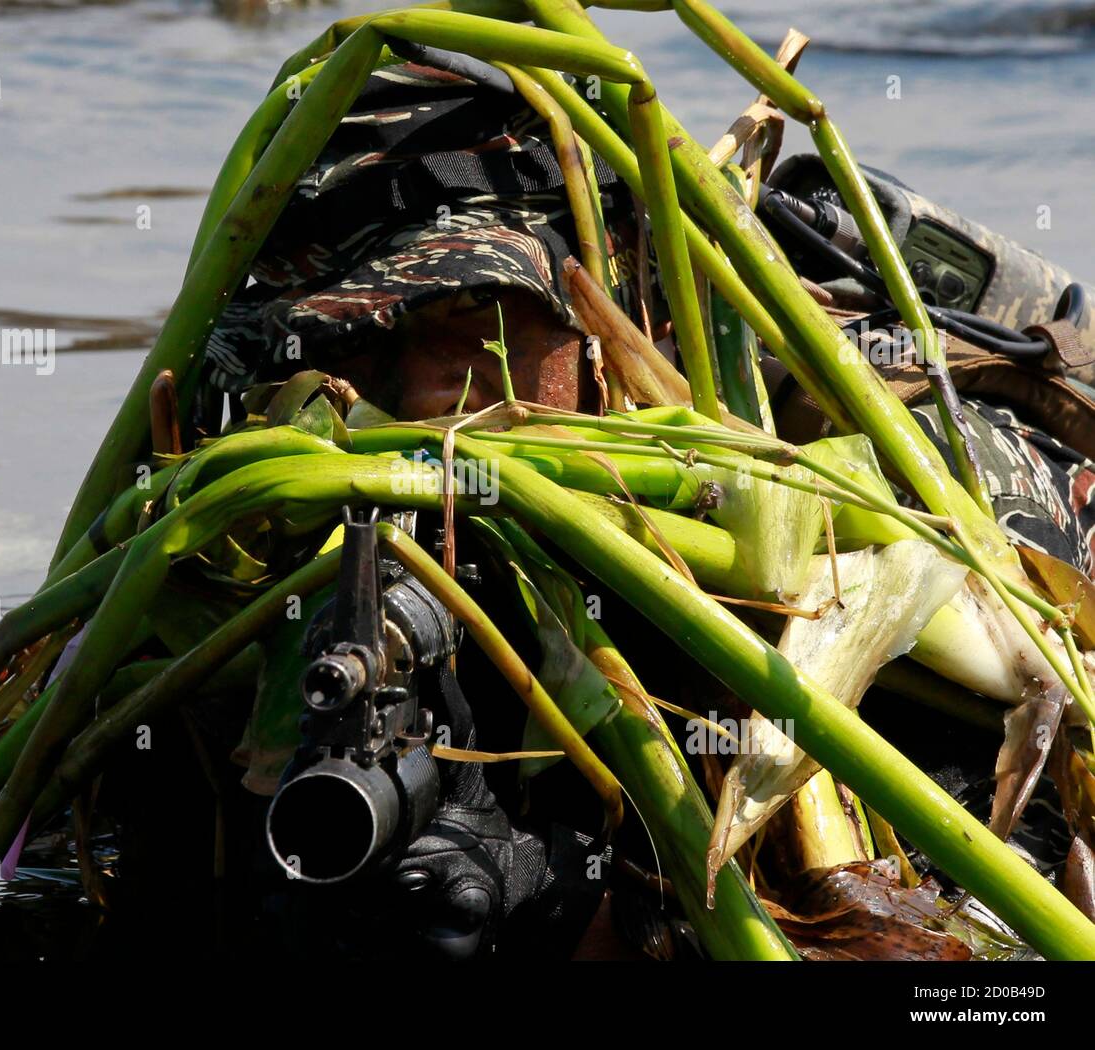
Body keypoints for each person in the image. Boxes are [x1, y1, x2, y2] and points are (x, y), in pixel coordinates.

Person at [189, 56, 1095, 959]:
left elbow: (987, 956)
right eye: (336, 339)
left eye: (471, 315)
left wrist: (590, 920)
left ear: (620, 307)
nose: (408, 394)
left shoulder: (874, 499)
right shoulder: (230, 559)